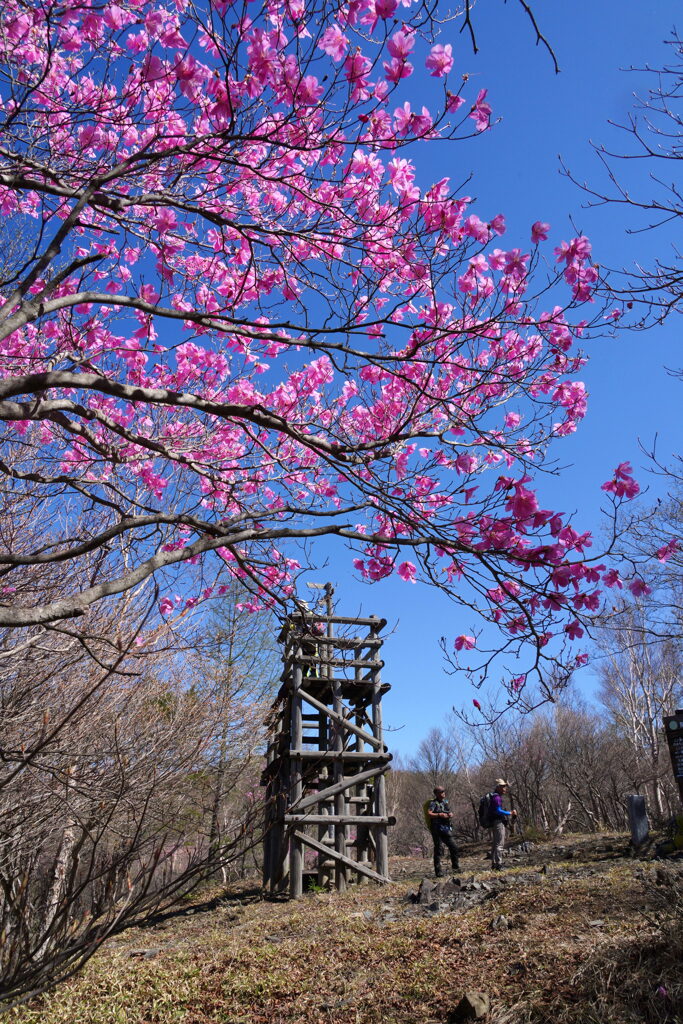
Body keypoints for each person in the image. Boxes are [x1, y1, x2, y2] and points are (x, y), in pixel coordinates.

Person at [427, 785, 461, 877]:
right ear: (437, 794)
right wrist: (439, 815)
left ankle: (455, 867)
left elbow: (449, 811)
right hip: (436, 829)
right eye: (441, 792)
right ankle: (438, 872)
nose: (444, 793)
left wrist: (450, 814)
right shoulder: (433, 803)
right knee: (438, 849)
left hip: (445, 828)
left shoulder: (445, 803)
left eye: (444, 791)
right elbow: (429, 813)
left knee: (454, 846)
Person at [489, 779, 517, 870]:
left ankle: (494, 864)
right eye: (502, 786)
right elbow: (498, 810)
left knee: (495, 844)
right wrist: (510, 813)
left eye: (505, 786)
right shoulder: (496, 797)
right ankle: (498, 865)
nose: (504, 788)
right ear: (498, 787)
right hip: (498, 822)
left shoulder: (495, 796)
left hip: (495, 822)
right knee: (499, 844)